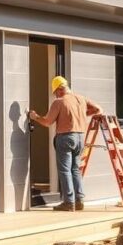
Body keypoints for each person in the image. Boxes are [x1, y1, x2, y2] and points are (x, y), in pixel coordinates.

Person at [29, 76, 101, 211]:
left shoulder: (59, 102)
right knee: (75, 169)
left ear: (60, 89)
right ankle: (79, 200)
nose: (55, 95)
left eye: (56, 92)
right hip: (80, 137)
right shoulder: (80, 99)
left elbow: (47, 122)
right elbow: (98, 109)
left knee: (65, 170)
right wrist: (83, 114)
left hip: (66, 138)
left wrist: (35, 117)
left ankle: (69, 202)